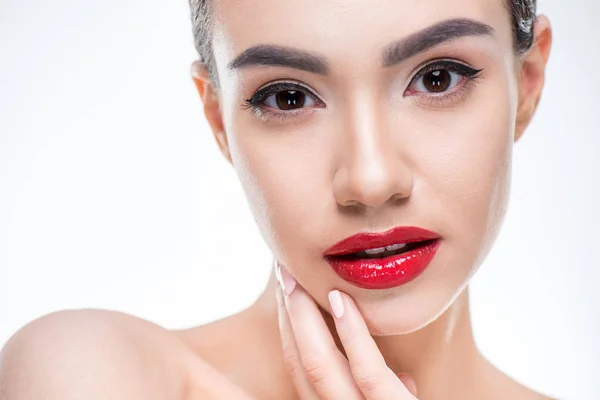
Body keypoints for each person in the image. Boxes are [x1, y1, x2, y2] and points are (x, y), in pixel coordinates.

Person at [0, 0, 555, 399]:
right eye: (288, 97)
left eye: (437, 78)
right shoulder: (96, 375)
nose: (369, 179)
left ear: (527, 82)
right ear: (218, 118)